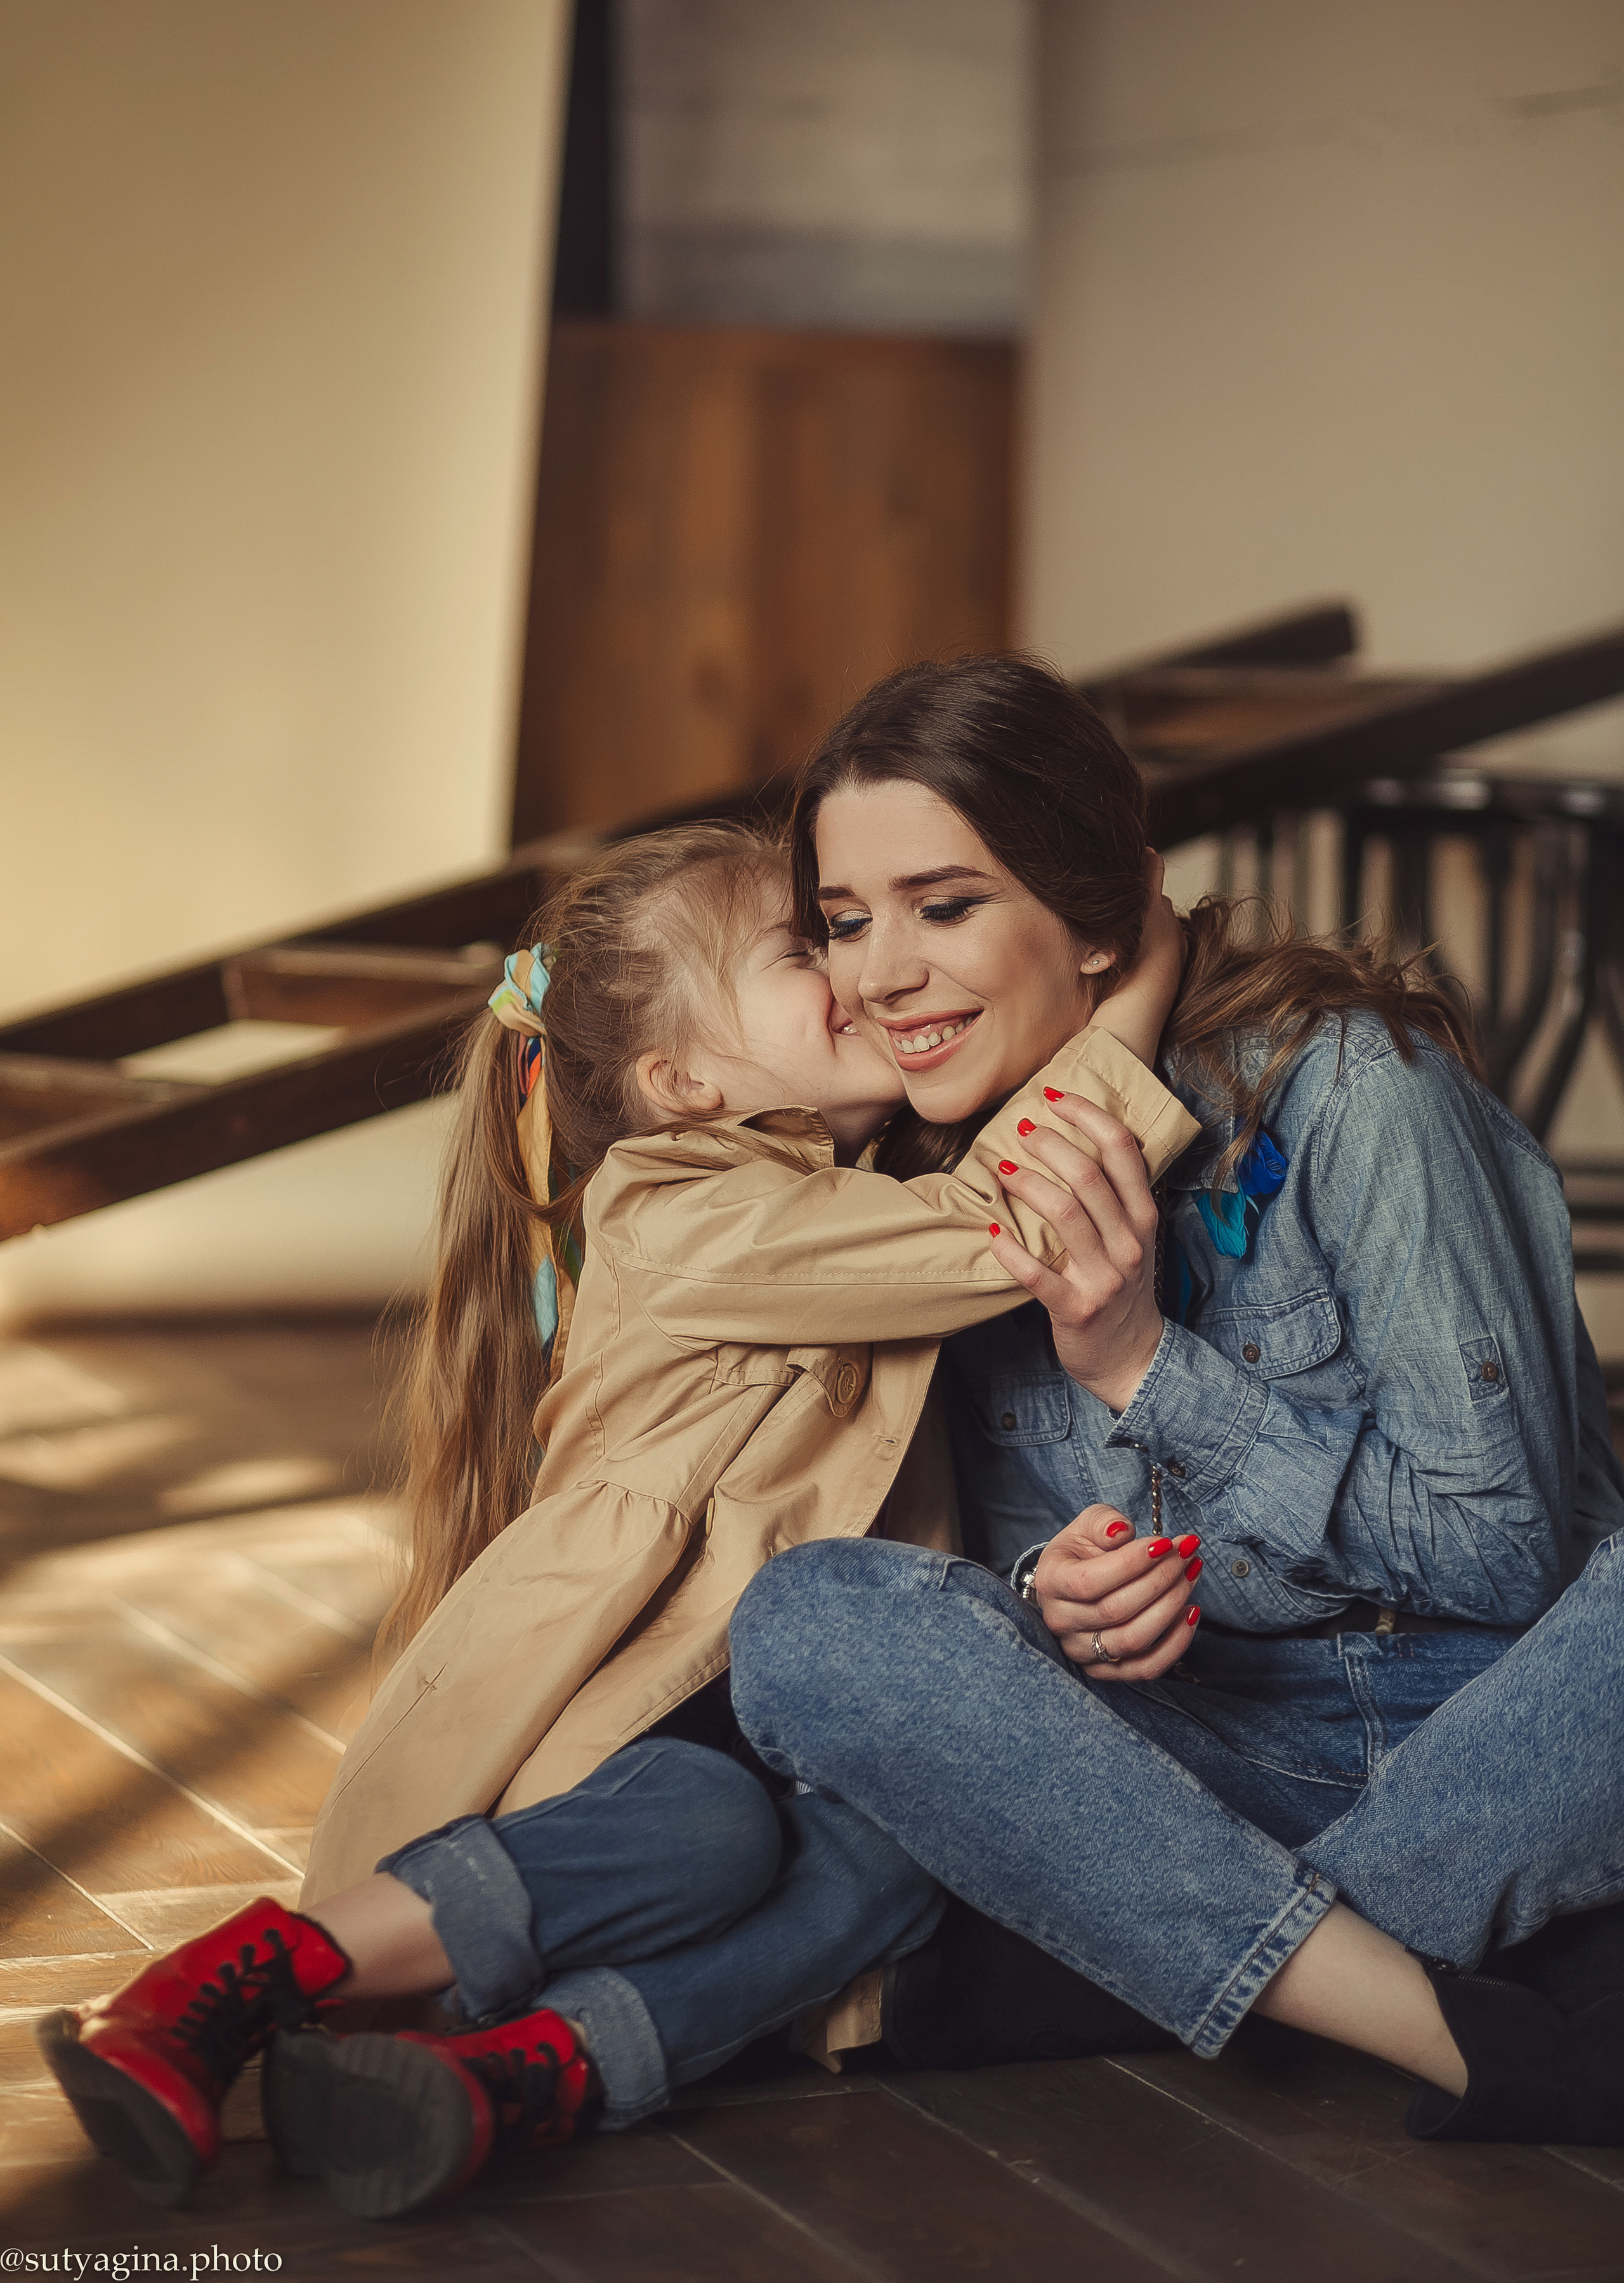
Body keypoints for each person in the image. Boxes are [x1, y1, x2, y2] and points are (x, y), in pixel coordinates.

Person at [38, 819, 1196, 2217]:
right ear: (687, 1080)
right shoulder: (675, 1207)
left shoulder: (850, 1202)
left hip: (779, 1734)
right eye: (804, 943)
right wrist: (1127, 983)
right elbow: (1004, 1227)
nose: (855, 966)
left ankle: (531, 2071)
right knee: (705, 1828)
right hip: (628, 1730)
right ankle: (235, 1989)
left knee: (901, 1858)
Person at [726, 650, 1624, 2145]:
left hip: (1493, 1720)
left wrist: (1145, 1368)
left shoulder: (1354, 1089)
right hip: (1196, 1754)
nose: (879, 975)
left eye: (943, 907)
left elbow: (1509, 1553)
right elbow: (1004, 1564)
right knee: (805, 1622)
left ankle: (1120, 1971)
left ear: (1091, 917)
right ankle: (1425, 1973)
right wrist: (1052, 1589)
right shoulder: (921, 1191)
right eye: (842, 922)